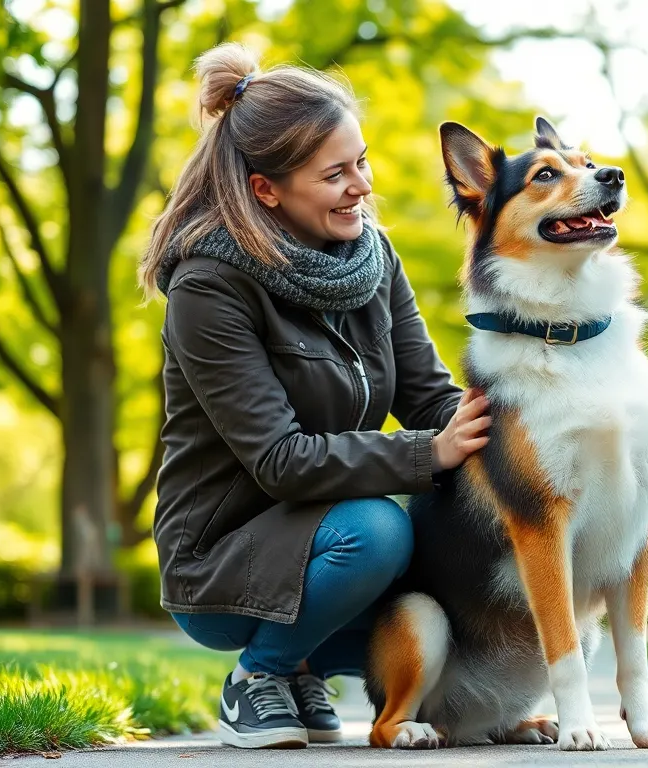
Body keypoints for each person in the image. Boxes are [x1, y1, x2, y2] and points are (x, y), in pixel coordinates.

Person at [136, 42, 489, 750]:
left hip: (330, 541)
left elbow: (428, 397)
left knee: (455, 549)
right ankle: (259, 674)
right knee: (380, 529)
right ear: (267, 190)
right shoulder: (210, 287)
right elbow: (281, 460)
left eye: (361, 162)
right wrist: (430, 452)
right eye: (336, 174)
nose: (361, 186)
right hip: (222, 560)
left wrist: (519, 431)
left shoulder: (372, 256)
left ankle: (301, 665)